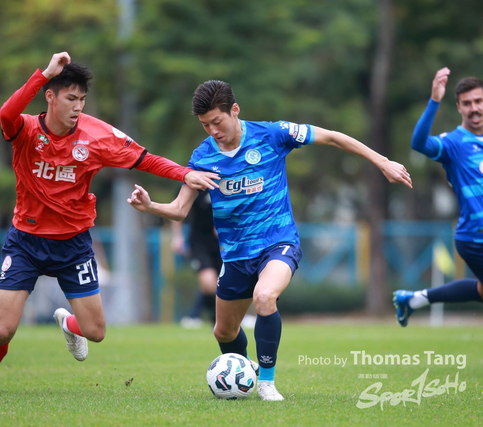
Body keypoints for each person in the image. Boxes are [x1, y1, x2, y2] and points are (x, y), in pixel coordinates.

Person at [127, 80, 412, 401]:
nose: (213, 131)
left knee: (264, 297)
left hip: (278, 242)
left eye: (217, 122)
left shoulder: (273, 134)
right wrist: (150, 206)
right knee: (223, 331)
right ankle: (245, 370)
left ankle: (266, 382)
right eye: (205, 125)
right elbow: (179, 210)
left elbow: (333, 137)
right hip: (236, 255)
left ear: (235, 110)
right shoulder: (202, 156)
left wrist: (383, 161)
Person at [0, 52, 219, 393]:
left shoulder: (95, 135)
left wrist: (184, 173)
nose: (78, 106)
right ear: (50, 97)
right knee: (4, 329)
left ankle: (69, 325)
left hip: (73, 243)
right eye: (71, 98)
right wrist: (44, 73)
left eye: (82, 99)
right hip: (26, 241)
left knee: (96, 332)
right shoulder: (26, 130)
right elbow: (6, 113)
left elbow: (144, 159)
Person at [394, 68, 483, 325]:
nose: (474, 108)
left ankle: (415, 299)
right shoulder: (453, 144)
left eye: (478, 101)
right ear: (458, 107)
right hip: (475, 236)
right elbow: (419, 143)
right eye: (467, 103)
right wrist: (434, 100)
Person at [171, 190, 219, 328]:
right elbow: (177, 208)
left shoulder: (229, 183)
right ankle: (215, 319)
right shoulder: (194, 185)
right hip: (199, 242)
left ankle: (196, 316)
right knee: (209, 282)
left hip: (223, 242)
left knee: (224, 284)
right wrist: (177, 237)